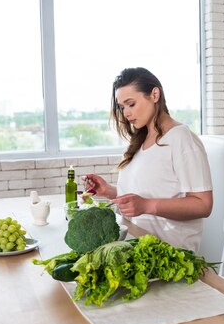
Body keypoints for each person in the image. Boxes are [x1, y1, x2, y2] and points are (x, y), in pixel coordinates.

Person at [83, 67, 213, 252]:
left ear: (154, 94)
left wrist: (147, 205)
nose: (126, 113)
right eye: (122, 107)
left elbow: (203, 205)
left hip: (170, 254)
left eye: (131, 104)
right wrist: (109, 191)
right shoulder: (141, 140)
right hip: (138, 246)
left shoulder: (181, 138)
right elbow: (146, 192)